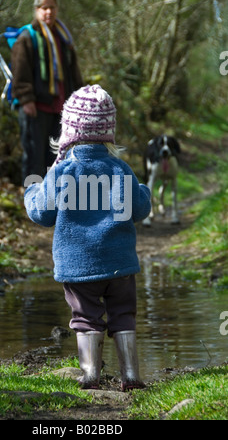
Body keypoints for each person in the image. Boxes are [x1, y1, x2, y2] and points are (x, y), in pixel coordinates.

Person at [24, 85, 151, 391]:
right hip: (120, 264)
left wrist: (31, 193)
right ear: (109, 132)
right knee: (123, 314)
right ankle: (130, 375)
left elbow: (42, 213)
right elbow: (140, 209)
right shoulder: (121, 169)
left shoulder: (63, 171)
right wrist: (142, 189)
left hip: (79, 265)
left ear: (68, 130)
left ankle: (91, 374)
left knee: (85, 317)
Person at [11, 0, 83, 182]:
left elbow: (73, 72)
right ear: (36, 9)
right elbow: (20, 71)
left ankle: (54, 205)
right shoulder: (27, 36)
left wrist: (79, 100)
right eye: (44, 7)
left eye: (52, 7)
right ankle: (32, 204)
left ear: (57, 9)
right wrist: (26, 99)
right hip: (36, 107)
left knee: (57, 158)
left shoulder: (63, 37)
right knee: (34, 157)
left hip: (60, 108)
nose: (48, 11)